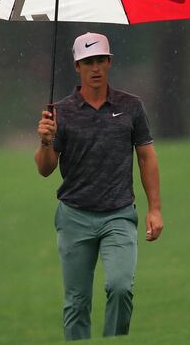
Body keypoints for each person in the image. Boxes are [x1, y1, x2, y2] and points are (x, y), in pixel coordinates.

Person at [34, 32, 163, 340]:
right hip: (74, 216)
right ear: (77, 66)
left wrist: (155, 209)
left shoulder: (131, 107)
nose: (95, 68)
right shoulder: (59, 112)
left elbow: (146, 158)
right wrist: (45, 138)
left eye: (100, 61)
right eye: (87, 62)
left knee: (120, 287)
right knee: (76, 303)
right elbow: (45, 168)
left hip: (118, 214)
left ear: (110, 62)